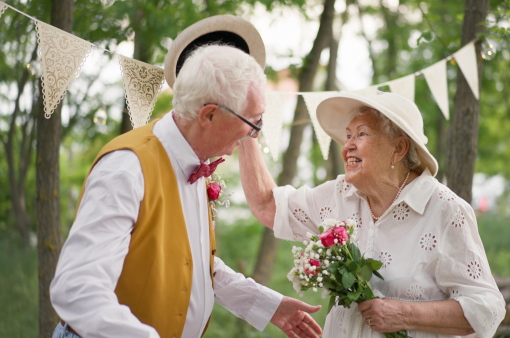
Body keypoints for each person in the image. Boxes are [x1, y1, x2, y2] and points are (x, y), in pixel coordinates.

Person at [50, 16, 322, 338]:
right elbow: (77, 290)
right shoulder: (126, 169)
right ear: (208, 114)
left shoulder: (195, 164)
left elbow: (189, 264)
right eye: (253, 121)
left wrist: (267, 305)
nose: (255, 133)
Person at [238, 91, 506, 338]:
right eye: (348, 136)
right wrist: (247, 129)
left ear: (398, 149)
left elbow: (487, 309)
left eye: (361, 134)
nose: (347, 146)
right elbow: (267, 206)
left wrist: (404, 314)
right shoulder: (338, 194)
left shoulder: (446, 210)